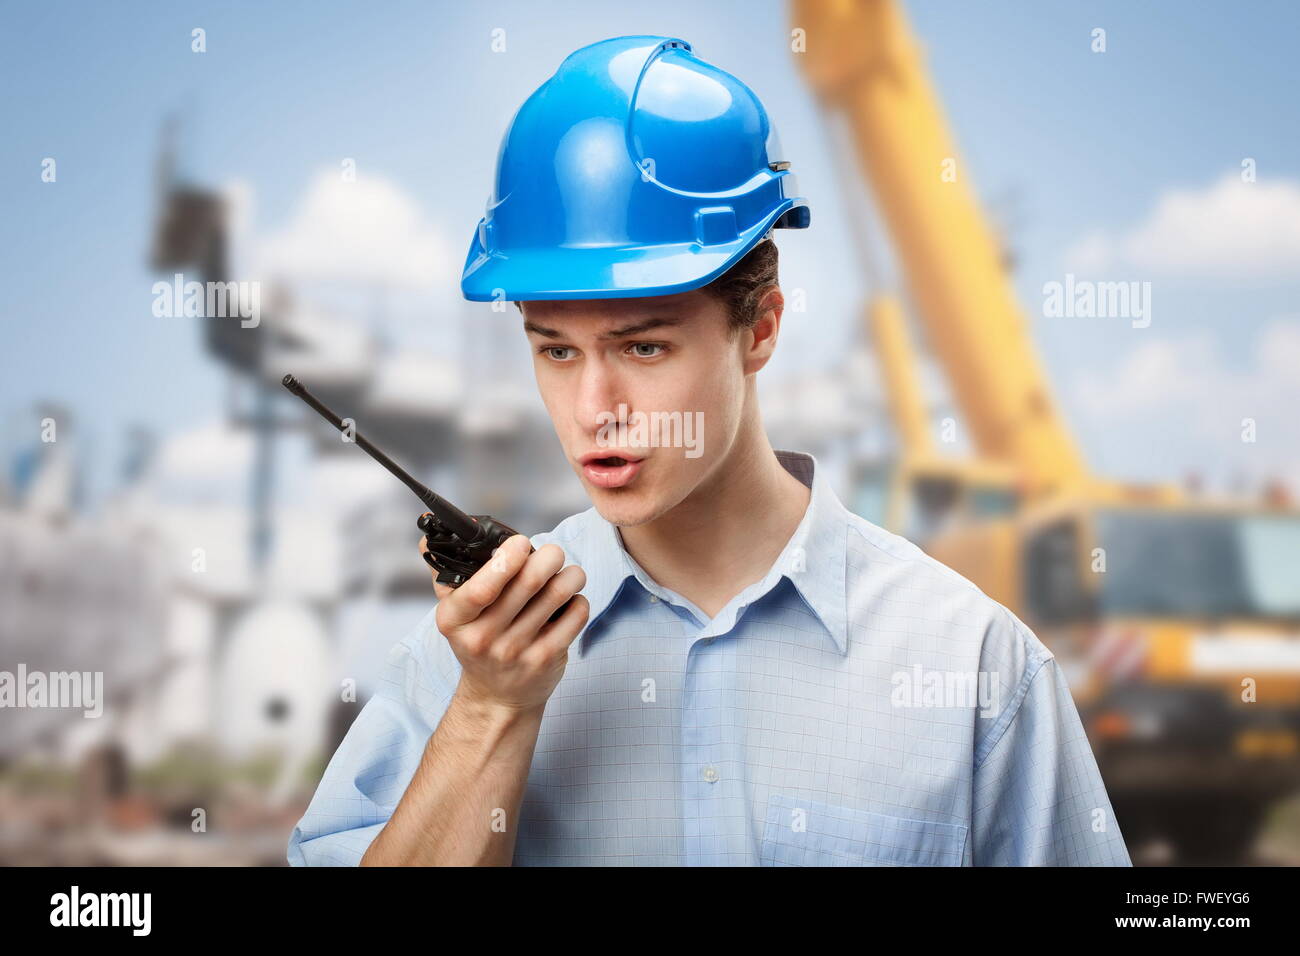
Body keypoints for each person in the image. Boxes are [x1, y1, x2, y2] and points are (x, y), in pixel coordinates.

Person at [287, 35, 1131, 866]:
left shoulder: (975, 667)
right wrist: (489, 712)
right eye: (556, 351)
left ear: (758, 329)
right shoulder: (463, 663)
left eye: (643, 349)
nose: (594, 411)